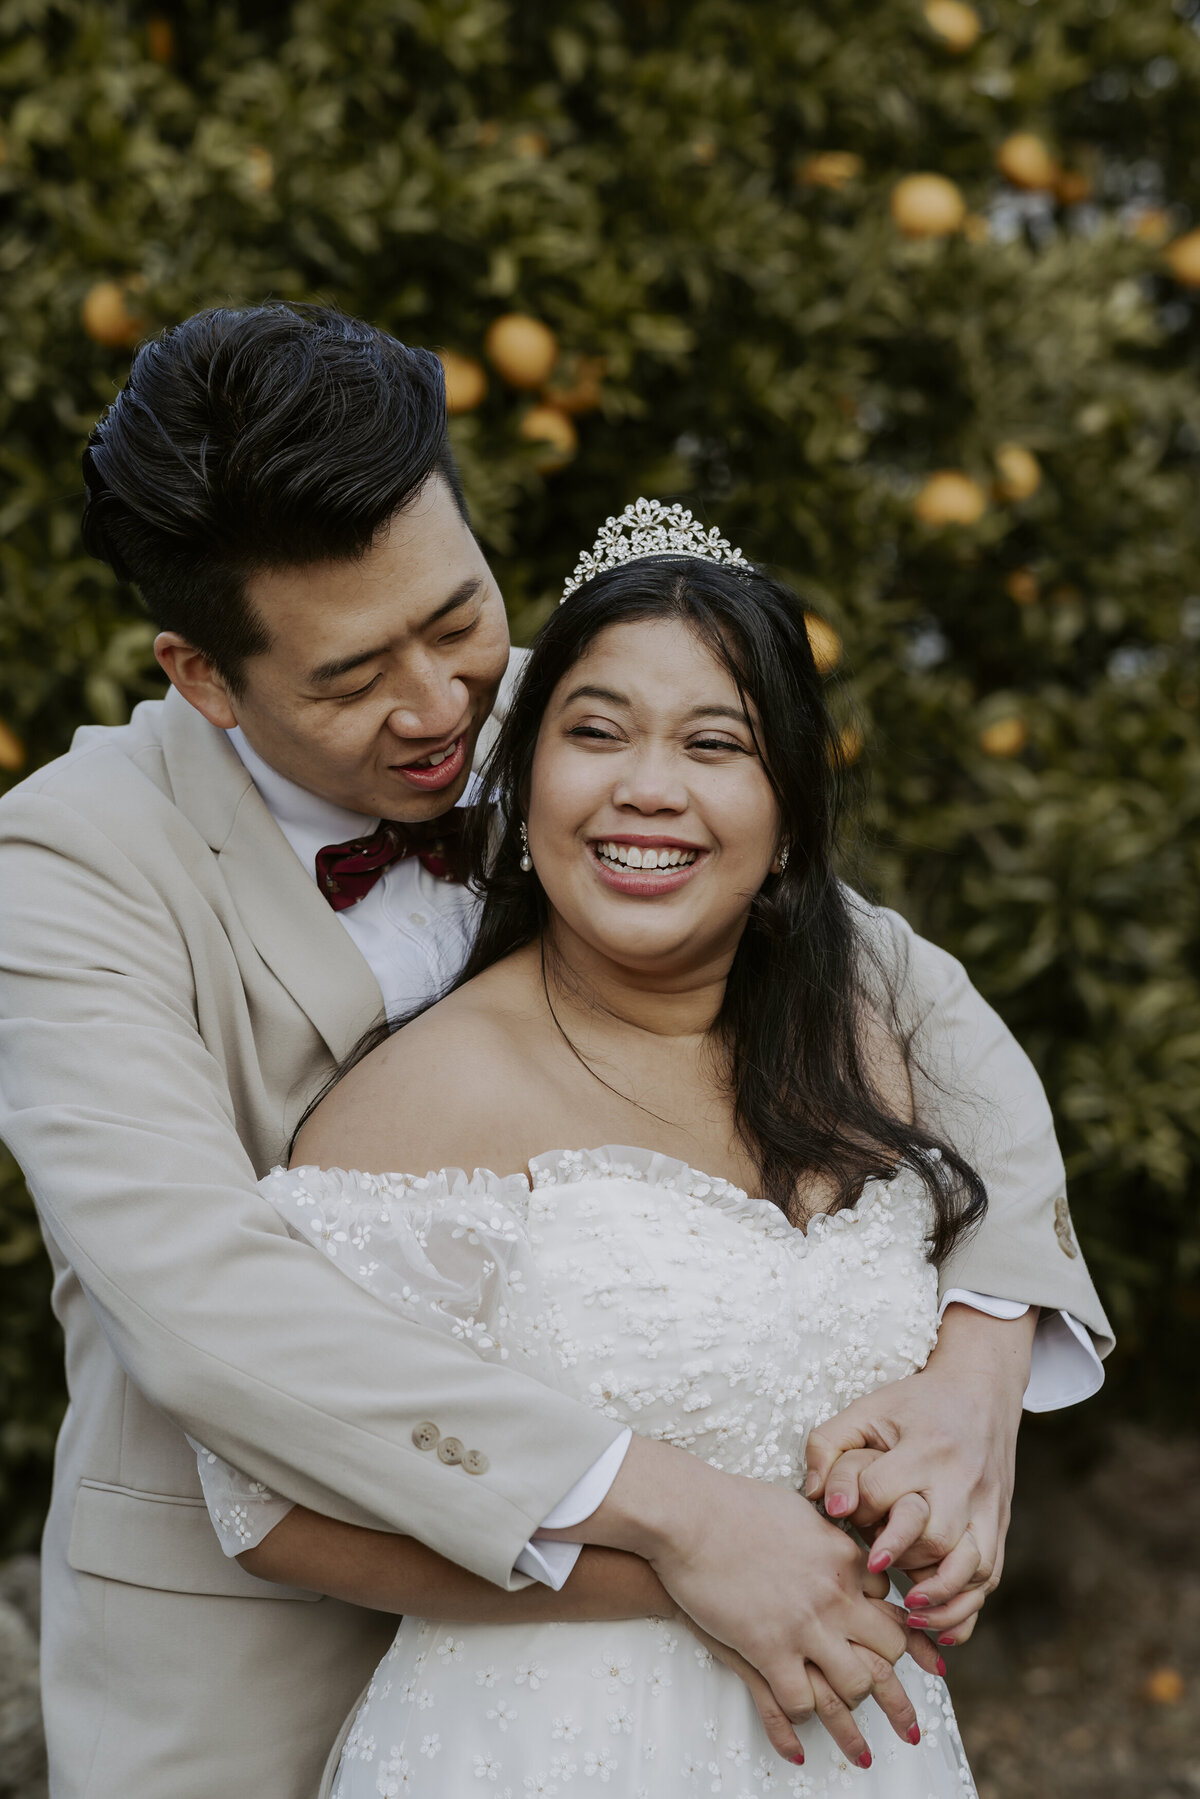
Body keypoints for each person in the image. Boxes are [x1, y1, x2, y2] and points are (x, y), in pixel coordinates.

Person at [0, 306, 1111, 1799]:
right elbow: (200, 1294)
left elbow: (918, 1000)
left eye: (456, 616)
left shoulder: (587, 729)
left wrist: (980, 1371)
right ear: (204, 674)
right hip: (250, 1638)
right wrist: (684, 1518)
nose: (444, 704)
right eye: (350, 677)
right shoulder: (63, 865)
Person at [193, 509, 1040, 1794]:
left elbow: (1002, 1226)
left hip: (866, 1747)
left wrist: (933, 1495)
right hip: (538, 1744)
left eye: (716, 743)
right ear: (523, 786)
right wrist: (675, 1571)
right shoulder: (429, 1096)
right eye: (596, 732)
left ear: (790, 809)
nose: (650, 786)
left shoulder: (873, 1036)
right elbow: (268, 1506)